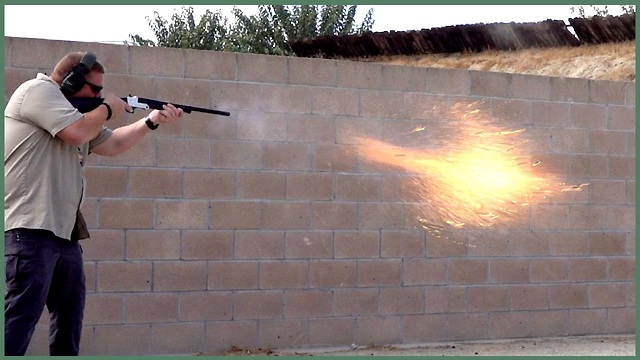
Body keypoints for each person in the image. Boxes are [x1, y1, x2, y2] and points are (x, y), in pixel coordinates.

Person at [4, 51, 184, 356]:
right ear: (71, 80)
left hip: (64, 234)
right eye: (95, 89)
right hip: (31, 230)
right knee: (19, 322)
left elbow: (111, 143)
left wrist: (150, 121)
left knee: (69, 323)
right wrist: (107, 108)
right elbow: (76, 134)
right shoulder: (37, 92)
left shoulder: (76, 114)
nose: (100, 95)